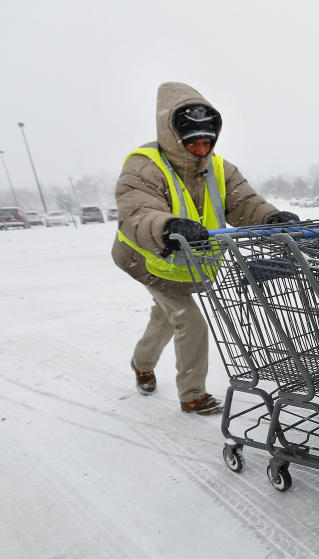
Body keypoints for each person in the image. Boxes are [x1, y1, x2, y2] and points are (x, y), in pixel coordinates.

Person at [112, 82, 298, 414]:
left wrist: (271, 218)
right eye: (193, 143)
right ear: (173, 137)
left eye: (207, 142)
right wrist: (168, 227)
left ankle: (141, 363)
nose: (201, 150)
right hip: (147, 258)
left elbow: (245, 202)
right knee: (188, 320)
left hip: (187, 263)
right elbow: (137, 211)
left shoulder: (220, 169)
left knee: (166, 317)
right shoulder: (144, 166)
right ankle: (192, 393)